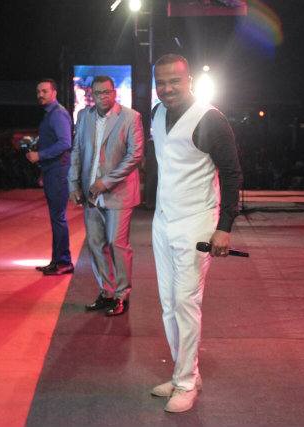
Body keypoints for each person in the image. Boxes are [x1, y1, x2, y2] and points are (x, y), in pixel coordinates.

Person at [149, 54, 243, 412]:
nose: (168, 88)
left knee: (187, 303)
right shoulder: (156, 114)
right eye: (161, 82)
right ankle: (184, 372)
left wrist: (224, 227)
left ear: (188, 80)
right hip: (163, 220)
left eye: (175, 81)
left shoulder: (210, 119)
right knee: (168, 305)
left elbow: (232, 174)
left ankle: (186, 383)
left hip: (197, 222)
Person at [68, 75, 144, 317]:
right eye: (99, 93)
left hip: (118, 194)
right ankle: (106, 292)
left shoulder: (131, 117)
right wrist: (74, 184)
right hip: (90, 194)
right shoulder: (84, 116)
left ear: (115, 93)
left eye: (108, 92)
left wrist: (106, 182)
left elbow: (135, 155)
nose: (103, 97)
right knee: (95, 245)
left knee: (116, 244)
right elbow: (77, 151)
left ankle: (122, 295)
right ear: (92, 94)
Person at [28, 78, 74, 275]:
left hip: (58, 170)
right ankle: (58, 260)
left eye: (44, 91)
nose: (40, 95)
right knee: (56, 218)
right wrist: (43, 170)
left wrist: (40, 156)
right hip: (52, 170)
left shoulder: (57, 114)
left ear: (54, 92)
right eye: (38, 91)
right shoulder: (51, 114)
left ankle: (63, 262)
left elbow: (65, 143)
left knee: (58, 218)